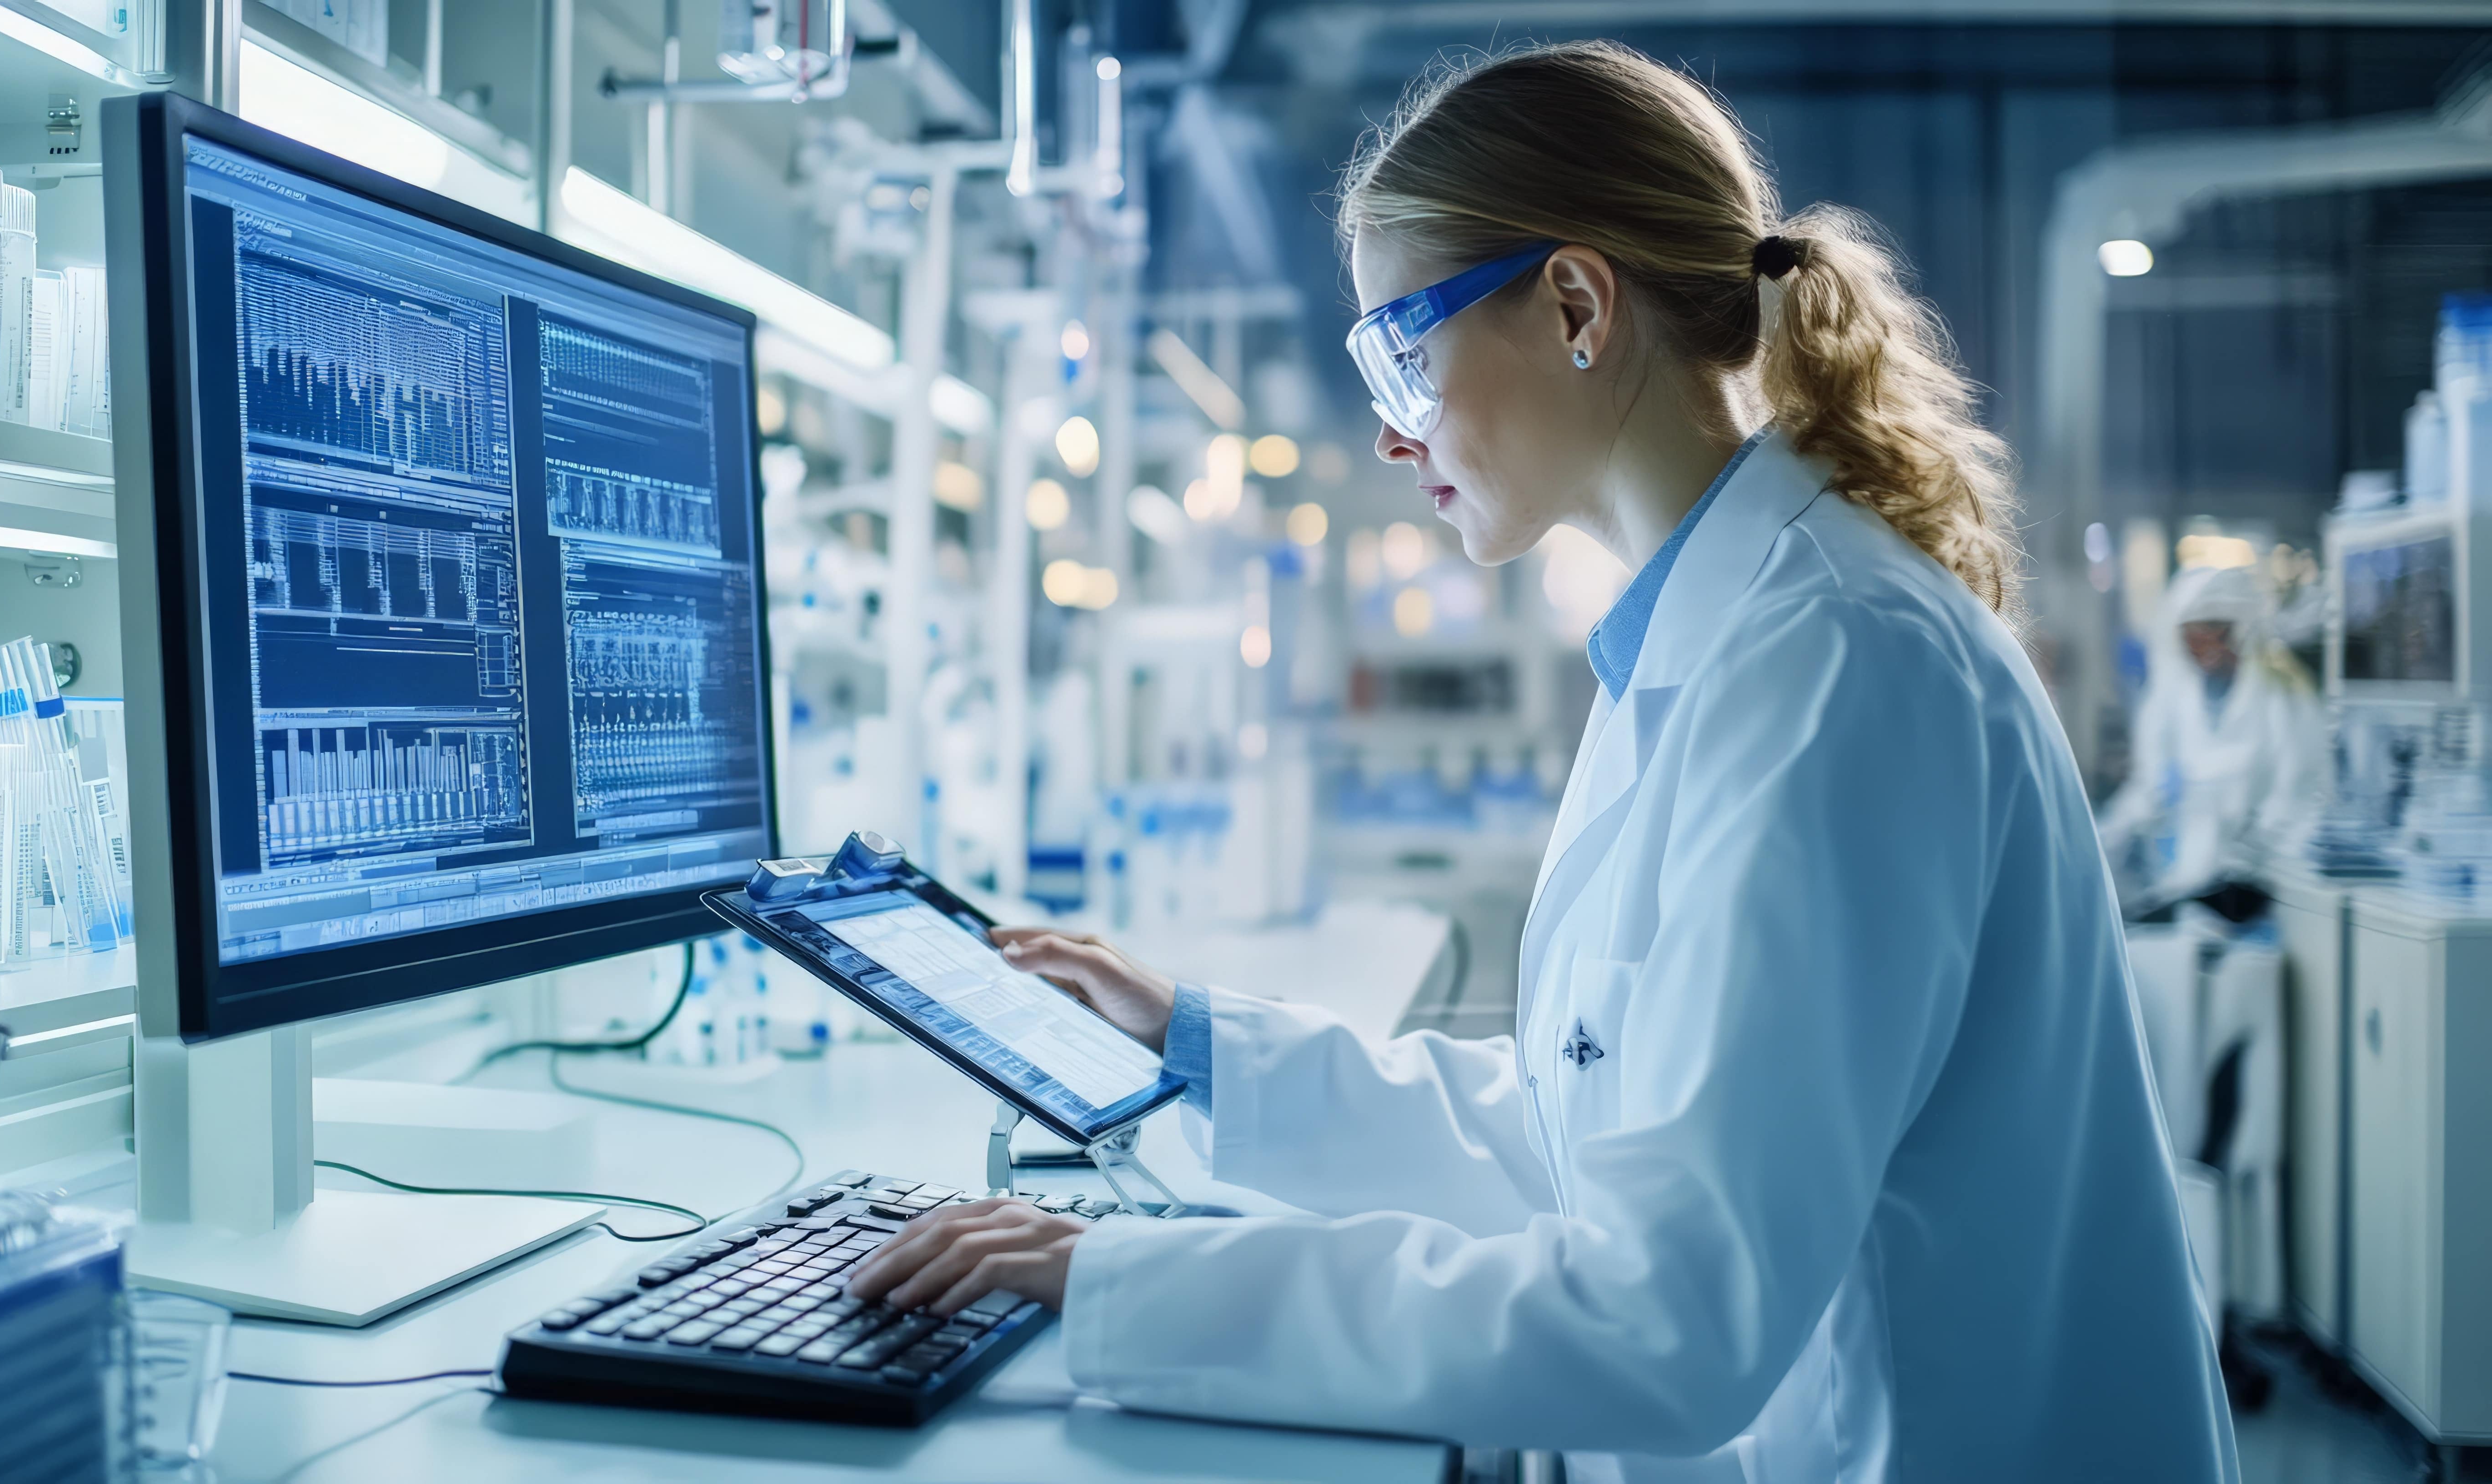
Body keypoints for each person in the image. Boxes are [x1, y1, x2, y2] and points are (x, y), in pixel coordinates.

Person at [850, 41, 2236, 1481]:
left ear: (1577, 303)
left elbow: (1664, 1315)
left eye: (1405, 347)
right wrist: (1196, 1043)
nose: (1390, 430)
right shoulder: (1718, 640)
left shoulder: (1831, 665)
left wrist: (1117, 1278)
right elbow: (1583, 1130)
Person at [2100, 562, 2327, 923]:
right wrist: (2101, 841)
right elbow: (2149, 789)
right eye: (2193, 634)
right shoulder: (2172, 701)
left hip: (2264, 891)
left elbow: (2300, 793)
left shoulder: (2284, 698)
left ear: (2242, 629)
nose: (2205, 645)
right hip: (2189, 882)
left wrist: (2248, 860)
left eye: (2216, 632)